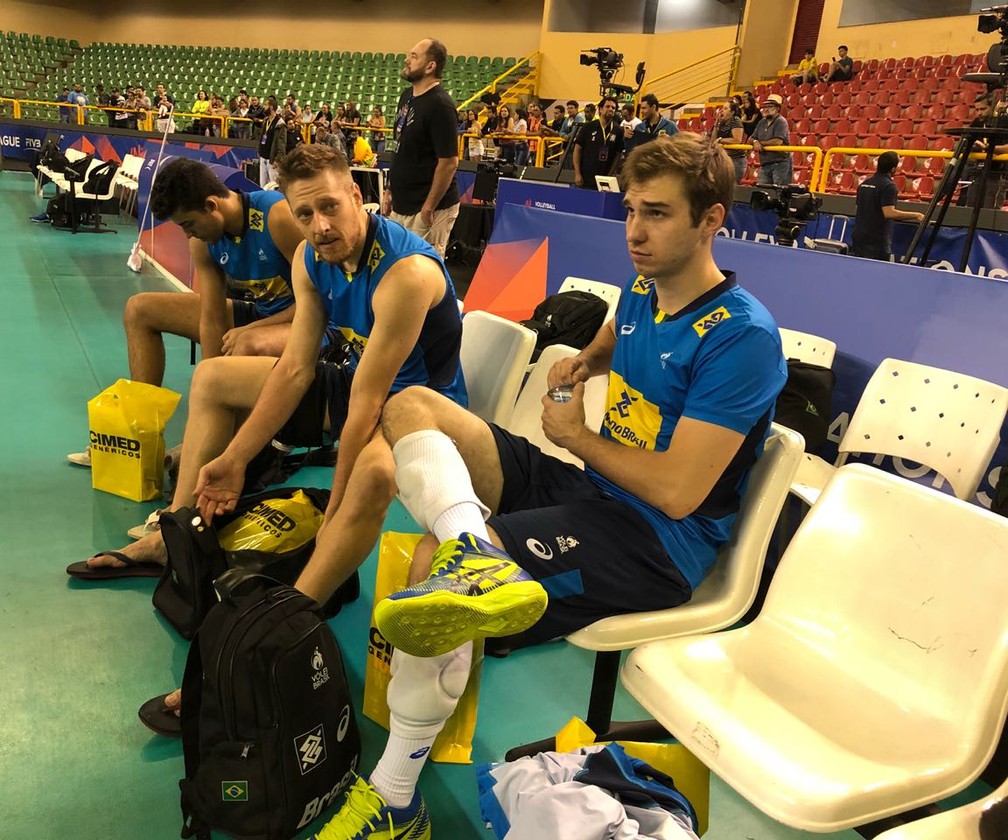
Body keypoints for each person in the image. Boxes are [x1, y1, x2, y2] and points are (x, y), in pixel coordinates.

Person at [313, 132, 787, 839]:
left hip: (657, 544)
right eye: (629, 211)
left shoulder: (742, 338)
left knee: (428, 565)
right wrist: (582, 366)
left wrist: (577, 437)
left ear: (711, 220)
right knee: (410, 406)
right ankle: (476, 553)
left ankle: (396, 798)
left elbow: (680, 493)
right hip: (590, 494)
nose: (635, 232)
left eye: (656, 214)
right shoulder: (642, 290)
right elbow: (612, 343)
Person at [74, 146, 467, 725]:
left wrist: (337, 499)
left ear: (358, 195)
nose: (320, 227)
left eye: (331, 207)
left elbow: (369, 404)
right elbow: (295, 369)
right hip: (354, 385)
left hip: (420, 411)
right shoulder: (312, 258)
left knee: (370, 478)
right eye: (305, 215)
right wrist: (235, 457)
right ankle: (172, 534)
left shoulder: (408, 273)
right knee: (214, 376)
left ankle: (282, 628)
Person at [65, 158, 304, 468]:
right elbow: (212, 316)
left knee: (247, 346)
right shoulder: (203, 242)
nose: (188, 235)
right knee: (140, 309)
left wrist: (249, 332)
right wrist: (207, 385)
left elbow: (322, 303)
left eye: (188, 224)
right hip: (262, 314)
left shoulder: (277, 217)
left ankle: (225, 451)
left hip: (309, 324)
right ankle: (140, 436)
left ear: (211, 205)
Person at [385, 37, 461, 259]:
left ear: (430, 66)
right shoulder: (406, 96)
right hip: (402, 202)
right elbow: (400, 147)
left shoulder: (441, 105)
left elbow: (449, 163)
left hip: (427, 208)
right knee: (397, 265)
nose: (407, 60)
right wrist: (390, 188)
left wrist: (429, 207)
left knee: (424, 271)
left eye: (414, 56)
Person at [849, 150, 925, 261]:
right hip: (876, 243)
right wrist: (917, 215)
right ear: (893, 169)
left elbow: (858, 209)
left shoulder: (864, 184)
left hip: (858, 238)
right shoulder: (888, 186)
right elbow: (889, 213)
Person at [573, 95, 623, 189]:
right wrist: (577, 173)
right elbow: (577, 150)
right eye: (607, 106)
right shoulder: (588, 127)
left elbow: (618, 154)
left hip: (605, 179)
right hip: (585, 177)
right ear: (600, 109)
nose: (611, 109)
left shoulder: (618, 130)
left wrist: (611, 173)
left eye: (613, 108)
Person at [751, 93, 791, 187]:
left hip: (780, 163)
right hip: (765, 164)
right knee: (761, 190)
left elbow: (778, 141)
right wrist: (754, 142)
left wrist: (760, 143)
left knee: (779, 192)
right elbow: (751, 138)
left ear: (777, 108)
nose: (766, 109)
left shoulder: (781, 121)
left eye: (770, 106)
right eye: (765, 106)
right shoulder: (762, 122)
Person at [713, 100, 746, 182]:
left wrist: (721, 140)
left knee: (733, 185)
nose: (721, 111)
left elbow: (736, 140)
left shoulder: (736, 120)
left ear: (732, 112)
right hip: (723, 158)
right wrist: (716, 125)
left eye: (725, 108)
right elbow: (713, 140)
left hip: (735, 160)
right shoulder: (722, 122)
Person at [258, 96, 287, 186]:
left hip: (272, 159)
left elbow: (281, 143)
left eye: (265, 105)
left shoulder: (280, 123)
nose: (263, 107)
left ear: (271, 107)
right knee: (263, 186)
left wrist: (278, 159)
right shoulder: (266, 120)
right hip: (263, 156)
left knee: (274, 185)